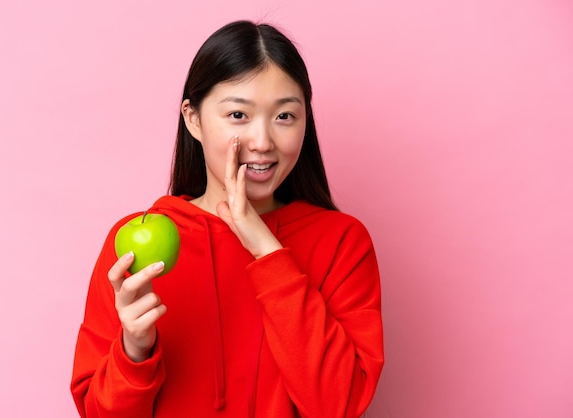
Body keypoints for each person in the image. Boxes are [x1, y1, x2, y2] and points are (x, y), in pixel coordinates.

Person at [71, 20, 384, 418]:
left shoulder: (342, 242)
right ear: (193, 119)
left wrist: (266, 249)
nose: (263, 141)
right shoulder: (133, 246)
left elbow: (338, 405)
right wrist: (134, 349)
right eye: (238, 114)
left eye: (285, 116)